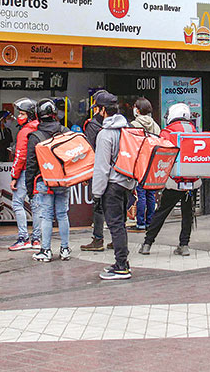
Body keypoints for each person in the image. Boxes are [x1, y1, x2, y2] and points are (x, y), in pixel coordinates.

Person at [138, 103, 200, 257]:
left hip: (174, 180)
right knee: (188, 214)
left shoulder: (168, 132)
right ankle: (184, 245)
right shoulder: (194, 131)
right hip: (192, 181)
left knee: (161, 212)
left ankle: (147, 243)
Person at [91, 92, 137, 280]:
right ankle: (122, 262)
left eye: (98, 109)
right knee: (121, 225)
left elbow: (101, 167)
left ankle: (121, 266)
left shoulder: (105, 134)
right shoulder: (128, 129)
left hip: (112, 185)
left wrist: (96, 193)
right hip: (126, 183)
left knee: (115, 225)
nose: (97, 113)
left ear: (103, 110)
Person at [26, 98, 71, 262]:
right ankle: (65, 249)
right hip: (63, 180)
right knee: (62, 214)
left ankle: (45, 250)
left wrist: (29, 188)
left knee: (46, 216)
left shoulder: (35, 136)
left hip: (43, 181)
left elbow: (30, 164)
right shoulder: (65, 131)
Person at [81, 90, 117, 252]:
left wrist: (88, 173)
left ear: (102, 109)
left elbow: (90, 151)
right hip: (119, 173)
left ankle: (98, 239)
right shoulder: (123, 124)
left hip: (100, 171)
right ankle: (116, 239)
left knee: (98, 205)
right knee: (117, 207)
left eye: (97, 107)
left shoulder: (93, 125)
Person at [8, 98, 41, 251]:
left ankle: (23, 237)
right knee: (36, 205)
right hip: (39, 172)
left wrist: (14, 176)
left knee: (17, 203)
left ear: (29, 115)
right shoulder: (40, 128)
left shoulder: (25, 132)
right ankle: (37, 239)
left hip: (25, 172)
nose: (19, 117)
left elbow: (20, 156)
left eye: (21, 114)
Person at [131, 97, 161, 232]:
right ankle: (150, 221)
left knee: (141, 193)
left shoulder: (134, 125)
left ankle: (140, 223)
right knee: (150, 193)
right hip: (153, 162)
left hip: (140, 162)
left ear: (137, 110)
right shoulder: (155, 125)